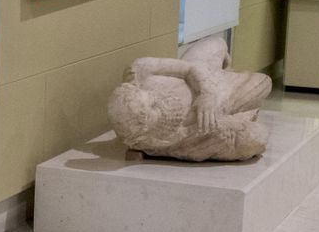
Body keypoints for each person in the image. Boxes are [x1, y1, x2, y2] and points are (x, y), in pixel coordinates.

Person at [107, 34, 271, 161]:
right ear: (146, 132)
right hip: (225, 95)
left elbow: (188, 68)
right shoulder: (172, 139)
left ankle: (227, 71)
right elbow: (255, 138)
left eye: (150, 97)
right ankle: (231, 78)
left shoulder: (139, 71)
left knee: (217, 42)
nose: (157, 100)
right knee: (264, 82)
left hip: (198, 71)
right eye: (153, 109)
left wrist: (206, 94)